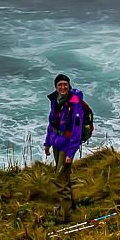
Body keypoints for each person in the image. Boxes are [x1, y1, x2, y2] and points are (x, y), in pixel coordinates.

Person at [43, 73, 86, 212]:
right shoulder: (55, 100)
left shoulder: (75, 104)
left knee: (59, 179)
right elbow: (52, 124)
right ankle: (71, 207)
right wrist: (47, 143)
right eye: (60, 85)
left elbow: (77, 130)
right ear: (56, 87)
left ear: (69, 85)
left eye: (65, 84)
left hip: (67, 146)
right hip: (56, 143)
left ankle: (65, 215)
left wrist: (71, 152)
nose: (63, 87)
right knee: (64, 177)